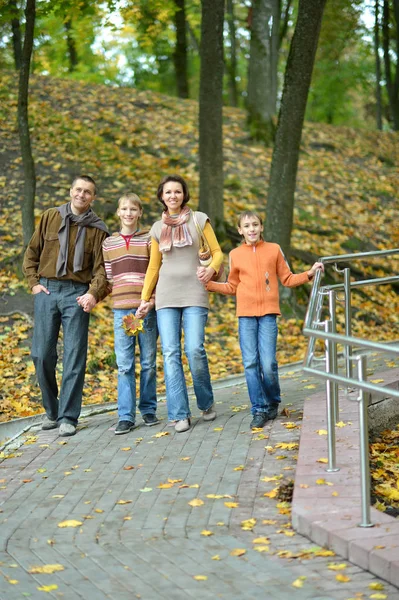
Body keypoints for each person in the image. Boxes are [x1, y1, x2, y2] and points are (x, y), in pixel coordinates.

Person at [205, 210, 324, 430]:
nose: (251, 229)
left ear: (261, 227)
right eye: (246, 226)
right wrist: (209, 284)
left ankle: (273, 401)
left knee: (268, 363)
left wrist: (309, 273)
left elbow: (287, 279)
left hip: (268, 314)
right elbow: (232, 286)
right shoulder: (235, 254)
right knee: (250, 363)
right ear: (240, 230)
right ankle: (258, 409)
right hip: (245, 316)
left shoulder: (274, 250)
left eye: (255, 225)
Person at [23, 175, 109, 437]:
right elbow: (31, 252)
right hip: (48, 290)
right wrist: (34, 283)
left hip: (76, 294)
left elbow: (101, 270)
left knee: (74, 356)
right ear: (71, 191)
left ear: (93, 198)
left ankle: (68, 416)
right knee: (41, 354)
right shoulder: (50, 216)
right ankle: (52, 411)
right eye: (78, 190)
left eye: (88, 192)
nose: (82, 195)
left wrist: (93, 294)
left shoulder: (98, 229)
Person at [136, 174, 223, 433]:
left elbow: (217, 252)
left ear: (184, 194)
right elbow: (154, 266)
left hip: (195, 292)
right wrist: (144, 299)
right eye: (167, 192)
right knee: (171, 353)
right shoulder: (155, 228)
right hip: (165, 296)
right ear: (161, 197)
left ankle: (206, 403)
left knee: (195, 349)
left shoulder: (199, 219)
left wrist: (211, 270)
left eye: (177, 191)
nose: (172, 196)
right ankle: (179, 413)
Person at [102, 193, 159, 435]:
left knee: (148, 362)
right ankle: (125, 416)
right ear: (118, 212)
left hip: (144, 309)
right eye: (124, 209)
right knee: (125, 365)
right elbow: (107, 277)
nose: (128, 213)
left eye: (133, 209)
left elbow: (156, 272)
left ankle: (148, 409)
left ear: (140, 213)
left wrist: (152, 301)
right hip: (123, 311)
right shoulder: (109, 244)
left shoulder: (148, 239)